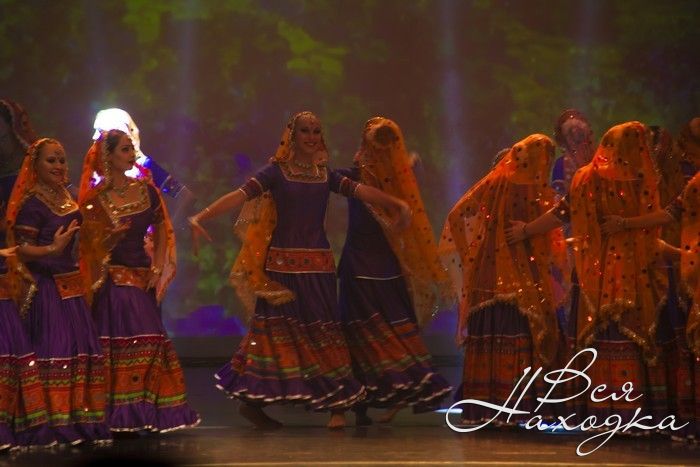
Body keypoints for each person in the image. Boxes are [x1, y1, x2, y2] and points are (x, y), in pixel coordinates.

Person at [189, 111, 411, 430]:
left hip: (319, 267)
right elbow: (239, 195)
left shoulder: (324, 174)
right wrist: (201, 216)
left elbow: (361, 191)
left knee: (324, 332)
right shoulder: (276, 172)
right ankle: (253, 403)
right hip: (281, 270)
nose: (311, 136)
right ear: (292, 136)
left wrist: (395, 203)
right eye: (305, 131)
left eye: (316, 131)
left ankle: (337, 406)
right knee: (273, 338)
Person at [508, 122, 669, 426]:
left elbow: (561, 213)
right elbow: (663, 219)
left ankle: (602, 412)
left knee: (603, 335)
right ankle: (634, 414)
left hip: (596, 273)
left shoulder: (587, 177)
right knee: (632, 335)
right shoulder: (640, 179)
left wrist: (527, 230)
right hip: (633, 274)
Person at [439, 134, 568, 425]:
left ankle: (486, 409)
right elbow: (551, 232)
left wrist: (475, 251)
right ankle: (518, 410)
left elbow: (457, 215)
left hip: (488, 273)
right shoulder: (535, 189)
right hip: (524, 275)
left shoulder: (494, 184)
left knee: (494, 332)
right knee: (522, 332)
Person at [78, 129, 200, 433]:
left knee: (150, 344)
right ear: (107, 156)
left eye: (132, 148)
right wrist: (110, 239)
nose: (131, 154)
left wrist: (157, 267)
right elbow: (89, 248)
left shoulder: (147, 190)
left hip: (144, 281)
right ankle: (121, 415)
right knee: (126, 347)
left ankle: (146, 412)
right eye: (124, 149)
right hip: (114, 284)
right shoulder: (95, 200)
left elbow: (162, 228)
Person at [337, 117, 452, 425]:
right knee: (360, 335)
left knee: (385, 334)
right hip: (361, 266)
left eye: (386, 145)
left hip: (383, 266)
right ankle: (359, 404)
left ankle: (384, 396)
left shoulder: (397, 178)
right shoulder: (358, 176)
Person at [6, 138, 111, 445]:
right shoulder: (32, 204)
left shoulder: (68, 196)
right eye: (51, 160)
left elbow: (84, 242)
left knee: (80, 351)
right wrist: (51, 248)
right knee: (57, 350)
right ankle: (52, 423)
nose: (58, 166)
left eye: (62, 160)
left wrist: (110, 240)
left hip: (72, 287)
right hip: (47, 289)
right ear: (35, 166)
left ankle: (78, 421)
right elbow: (20, 249)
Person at [91, 108, 195, 224]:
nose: (95, 137)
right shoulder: (97, 172)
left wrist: (169, 227)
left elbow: (185, 195)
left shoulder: (144, 166)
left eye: (100, 131)